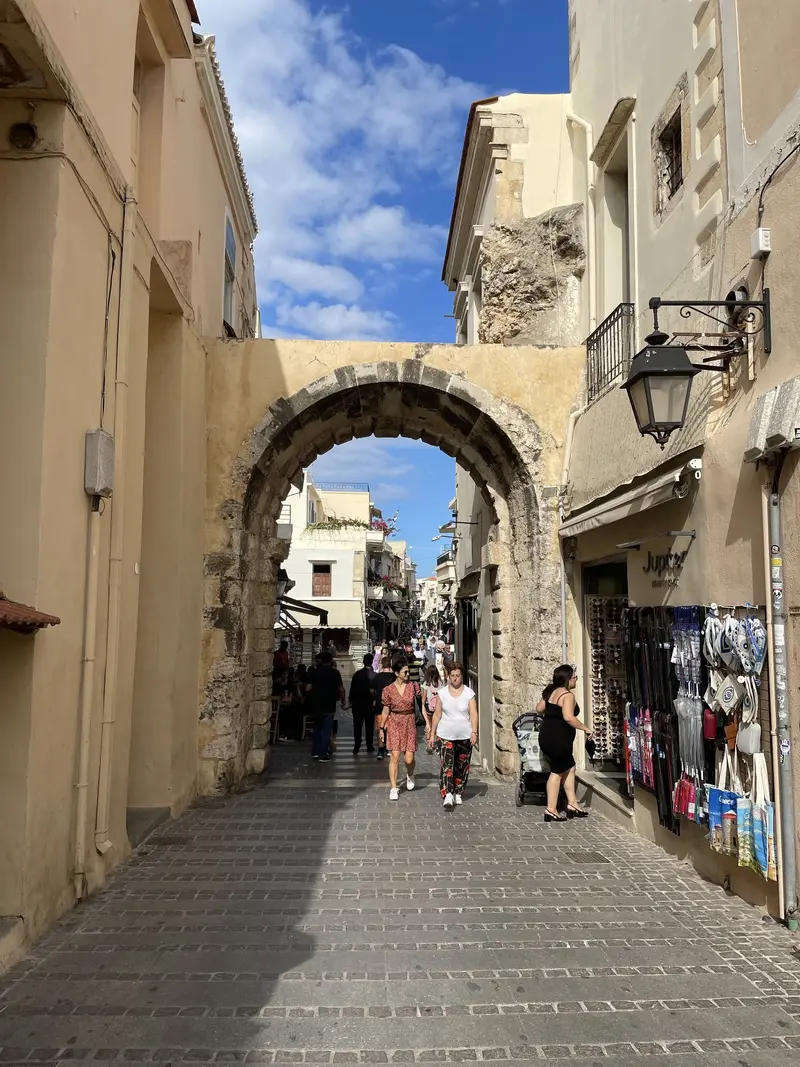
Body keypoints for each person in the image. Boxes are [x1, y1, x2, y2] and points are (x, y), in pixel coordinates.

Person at [537, 664, 592, 822]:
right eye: (574, 677)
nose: (576, 679)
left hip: (546, 736)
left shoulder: (551, 692)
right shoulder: (567, 696)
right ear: (568, 679)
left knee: (570, 766)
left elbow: (539, 708)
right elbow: (568, 717)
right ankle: (551, 809)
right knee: (557, 772)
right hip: (559, 739)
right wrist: (585, 728)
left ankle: (573, 804)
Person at [430, 661, 477, 810]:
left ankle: (458, 791)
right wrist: (432, 733)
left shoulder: (469, 693)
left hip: (464, 734)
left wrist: (474, 731)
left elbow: (474, 714)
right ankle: (447, 793)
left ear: (461, 676)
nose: (455, 678)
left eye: (458, 675)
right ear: (448, 676)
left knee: (461, 765)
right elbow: (437, 714)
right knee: (447, 765)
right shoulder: (442, 693)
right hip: (445, 734)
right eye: (453, 676)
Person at [379, 659, 421, 801]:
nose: (408, 674)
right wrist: (381, 727)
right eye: (405, 671)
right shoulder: (388, 690)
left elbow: (422, 702)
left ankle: (410, 773)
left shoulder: (413, 686)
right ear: (397, 673)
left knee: (409, 759)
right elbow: (385, 710)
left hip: (409, 722)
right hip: (395, 722)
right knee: (395, 757)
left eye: (408, 671)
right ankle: (393, 787)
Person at [310, 650, 347, 762]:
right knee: (326, 729)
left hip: (317, 703)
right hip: (329, 703)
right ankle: (323, 753)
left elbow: (308, 687)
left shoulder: (315, 672)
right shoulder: (335, 673)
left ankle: (315, 752)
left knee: (317, 728)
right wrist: (343, 700)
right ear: (331, 660)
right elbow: (341, 688)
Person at [350, 653, 377, 755]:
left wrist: (350, 700)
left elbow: (352, 689)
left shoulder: (357, 674)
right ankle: (369, 745)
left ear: (363, 661)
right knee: (369, 726)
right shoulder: (374, 675)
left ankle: (356, 746)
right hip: (369, 704)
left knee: (357, 726)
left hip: (357, 704)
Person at [372, 655, 395, 760]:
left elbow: (371, 690)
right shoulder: (394, 677)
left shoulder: (377, 677)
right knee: (390, 729)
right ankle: (390, 748)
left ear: (381, 664)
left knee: (380, 729)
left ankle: (380, 750)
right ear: (390, 665)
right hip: (392, 708)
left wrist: (376, 696)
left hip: (379, 706)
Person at [422, 664, 442, 753]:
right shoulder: (440, 683)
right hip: (438, 708)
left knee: (429, 726)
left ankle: (429, 745)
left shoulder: (426, 684)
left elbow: (423, 699)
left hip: (429, 708)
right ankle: (438, 745)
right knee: (437, 727)